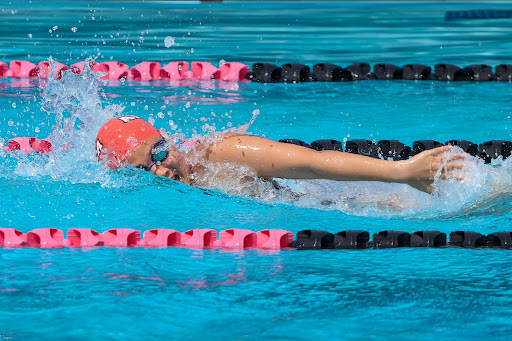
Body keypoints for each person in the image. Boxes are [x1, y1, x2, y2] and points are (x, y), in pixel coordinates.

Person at [95, 116, 466, 194]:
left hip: (384, 201)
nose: (159, 170)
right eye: (144, 170)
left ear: (170, 140)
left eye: (159, 152)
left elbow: (313, 162)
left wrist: (403, 171)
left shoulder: (219, 153)